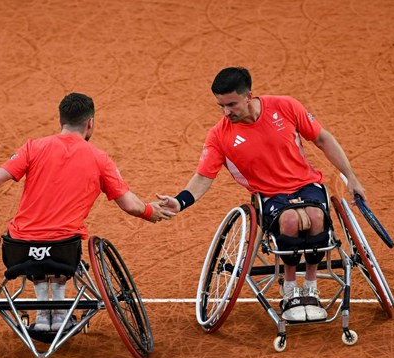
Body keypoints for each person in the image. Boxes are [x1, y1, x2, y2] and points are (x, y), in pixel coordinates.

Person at [0, 92, 174, 331]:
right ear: (90, 123)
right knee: (60, 248)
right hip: (64, 252)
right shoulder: (100, 158)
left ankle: (43, 313)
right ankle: (58, 313)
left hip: (19, 251)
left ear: (60, 120)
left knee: (32, 245)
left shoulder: (33, 147)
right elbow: (130, 205)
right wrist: (151, 211)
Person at [157, 67, 367, 322]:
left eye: (232, 104)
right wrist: (180, 202)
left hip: (307, 185)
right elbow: (203, 177)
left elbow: (322, 139)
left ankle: (310, 285)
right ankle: (290, 288)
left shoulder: (286, 107)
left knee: (315, 217)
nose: (226, 112)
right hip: (269, 195)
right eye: (221, 106)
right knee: (290, 221)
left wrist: (351, 177)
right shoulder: (219, 135)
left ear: (249, 96)